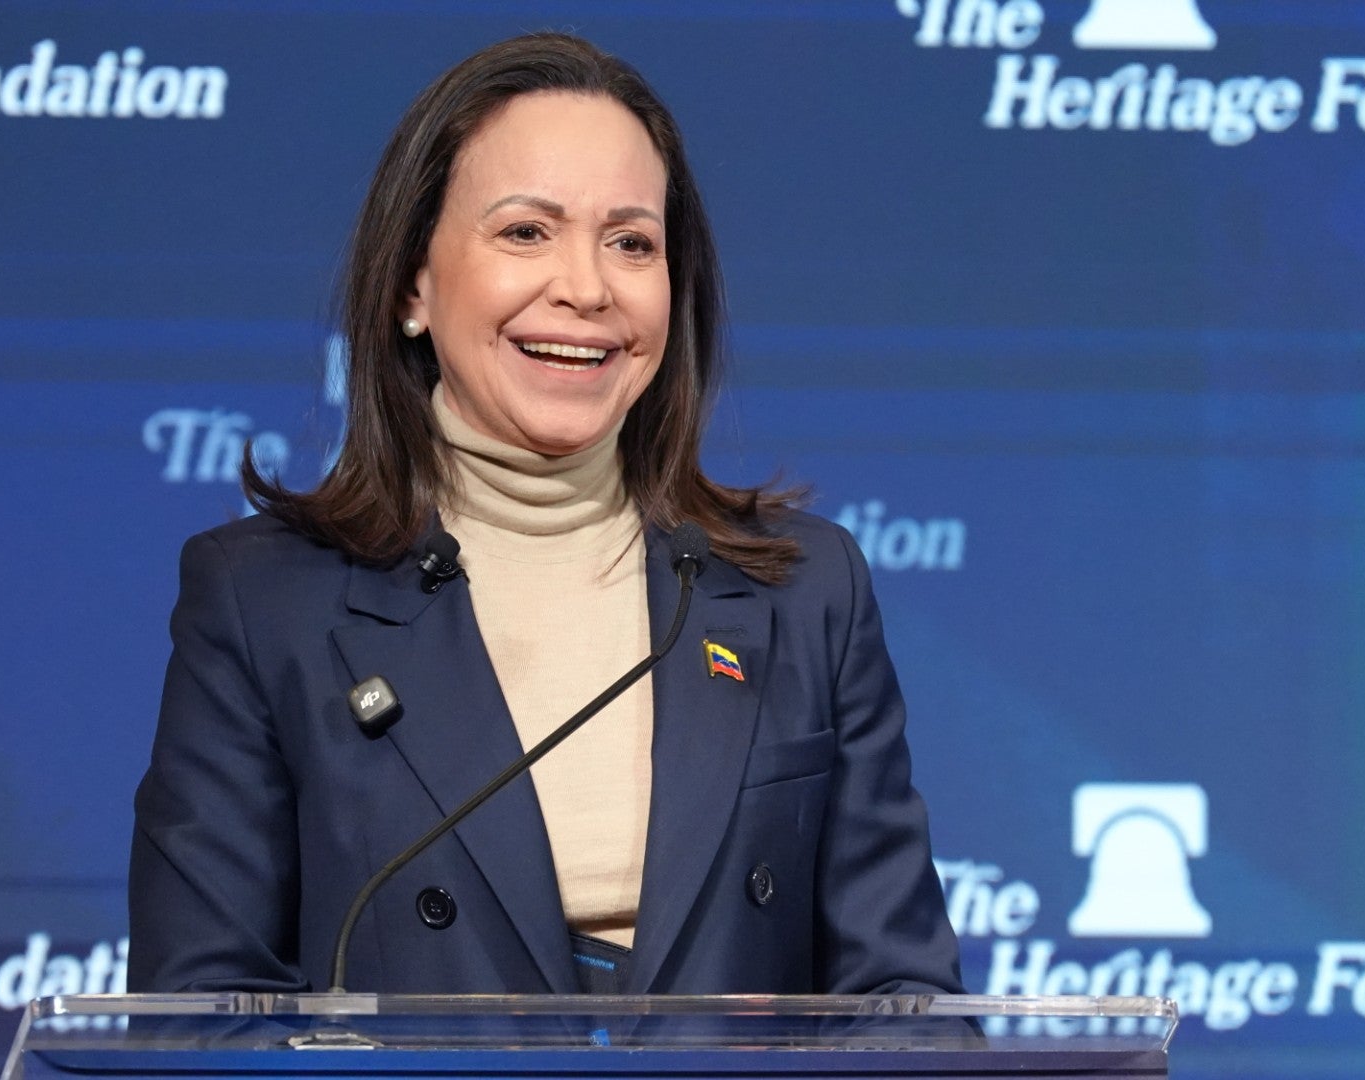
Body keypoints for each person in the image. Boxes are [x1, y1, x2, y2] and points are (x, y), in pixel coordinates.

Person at [128, 32, 962, 997]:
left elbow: (905, 1004)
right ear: (412, 286)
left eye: (631, 242)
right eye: (526, 232)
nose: (587, 287)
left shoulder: (803, 588)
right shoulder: (264, 601)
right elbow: (199, 1018)